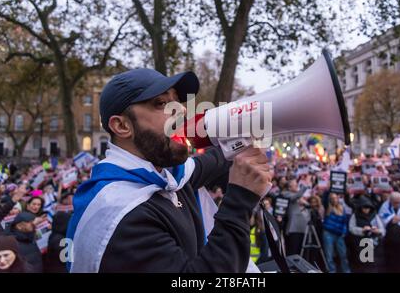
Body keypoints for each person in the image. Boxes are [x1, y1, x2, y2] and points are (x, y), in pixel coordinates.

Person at [67, 68, 273, 272]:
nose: (182, 110)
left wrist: (244, 136)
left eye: (177, 101)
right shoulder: (119, 214)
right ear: (122, 126)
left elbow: (213, 160)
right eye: (161, 103)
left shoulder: (170, 177)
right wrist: (240, 200)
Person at [348, 196, 385, 272]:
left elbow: (382, 230)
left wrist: (377, 231)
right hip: (361, 243)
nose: (366, 210)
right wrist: (362, 230)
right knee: (362, 264)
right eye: (364, 208)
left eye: (368, 208)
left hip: (374, 244)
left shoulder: (375, 216)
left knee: (373, 264)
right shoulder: (355, 216)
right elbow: (351, 228)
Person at [322, 192, 351, 273]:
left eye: (335, 198)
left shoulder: (342, 208)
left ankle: (346, 271)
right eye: (332, 198)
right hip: (328, 233)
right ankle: (331, 271)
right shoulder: (327, 207)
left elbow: (345, 222)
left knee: (343, 254)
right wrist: (328, 189)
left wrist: (344, 232)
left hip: (339, 234)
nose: (334, 199)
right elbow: (324, 199)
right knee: (329, 255)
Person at [282, 180, 309, 256]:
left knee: (301, 251)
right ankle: (290, 267)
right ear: (289, 187)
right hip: (292, 229)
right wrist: (305, 186)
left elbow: (308, 205)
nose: (297, 186)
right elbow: (296, 196)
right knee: (292, 251)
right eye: (295, 185)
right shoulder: (286, 194)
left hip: (303, 228)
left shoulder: (300, 197)